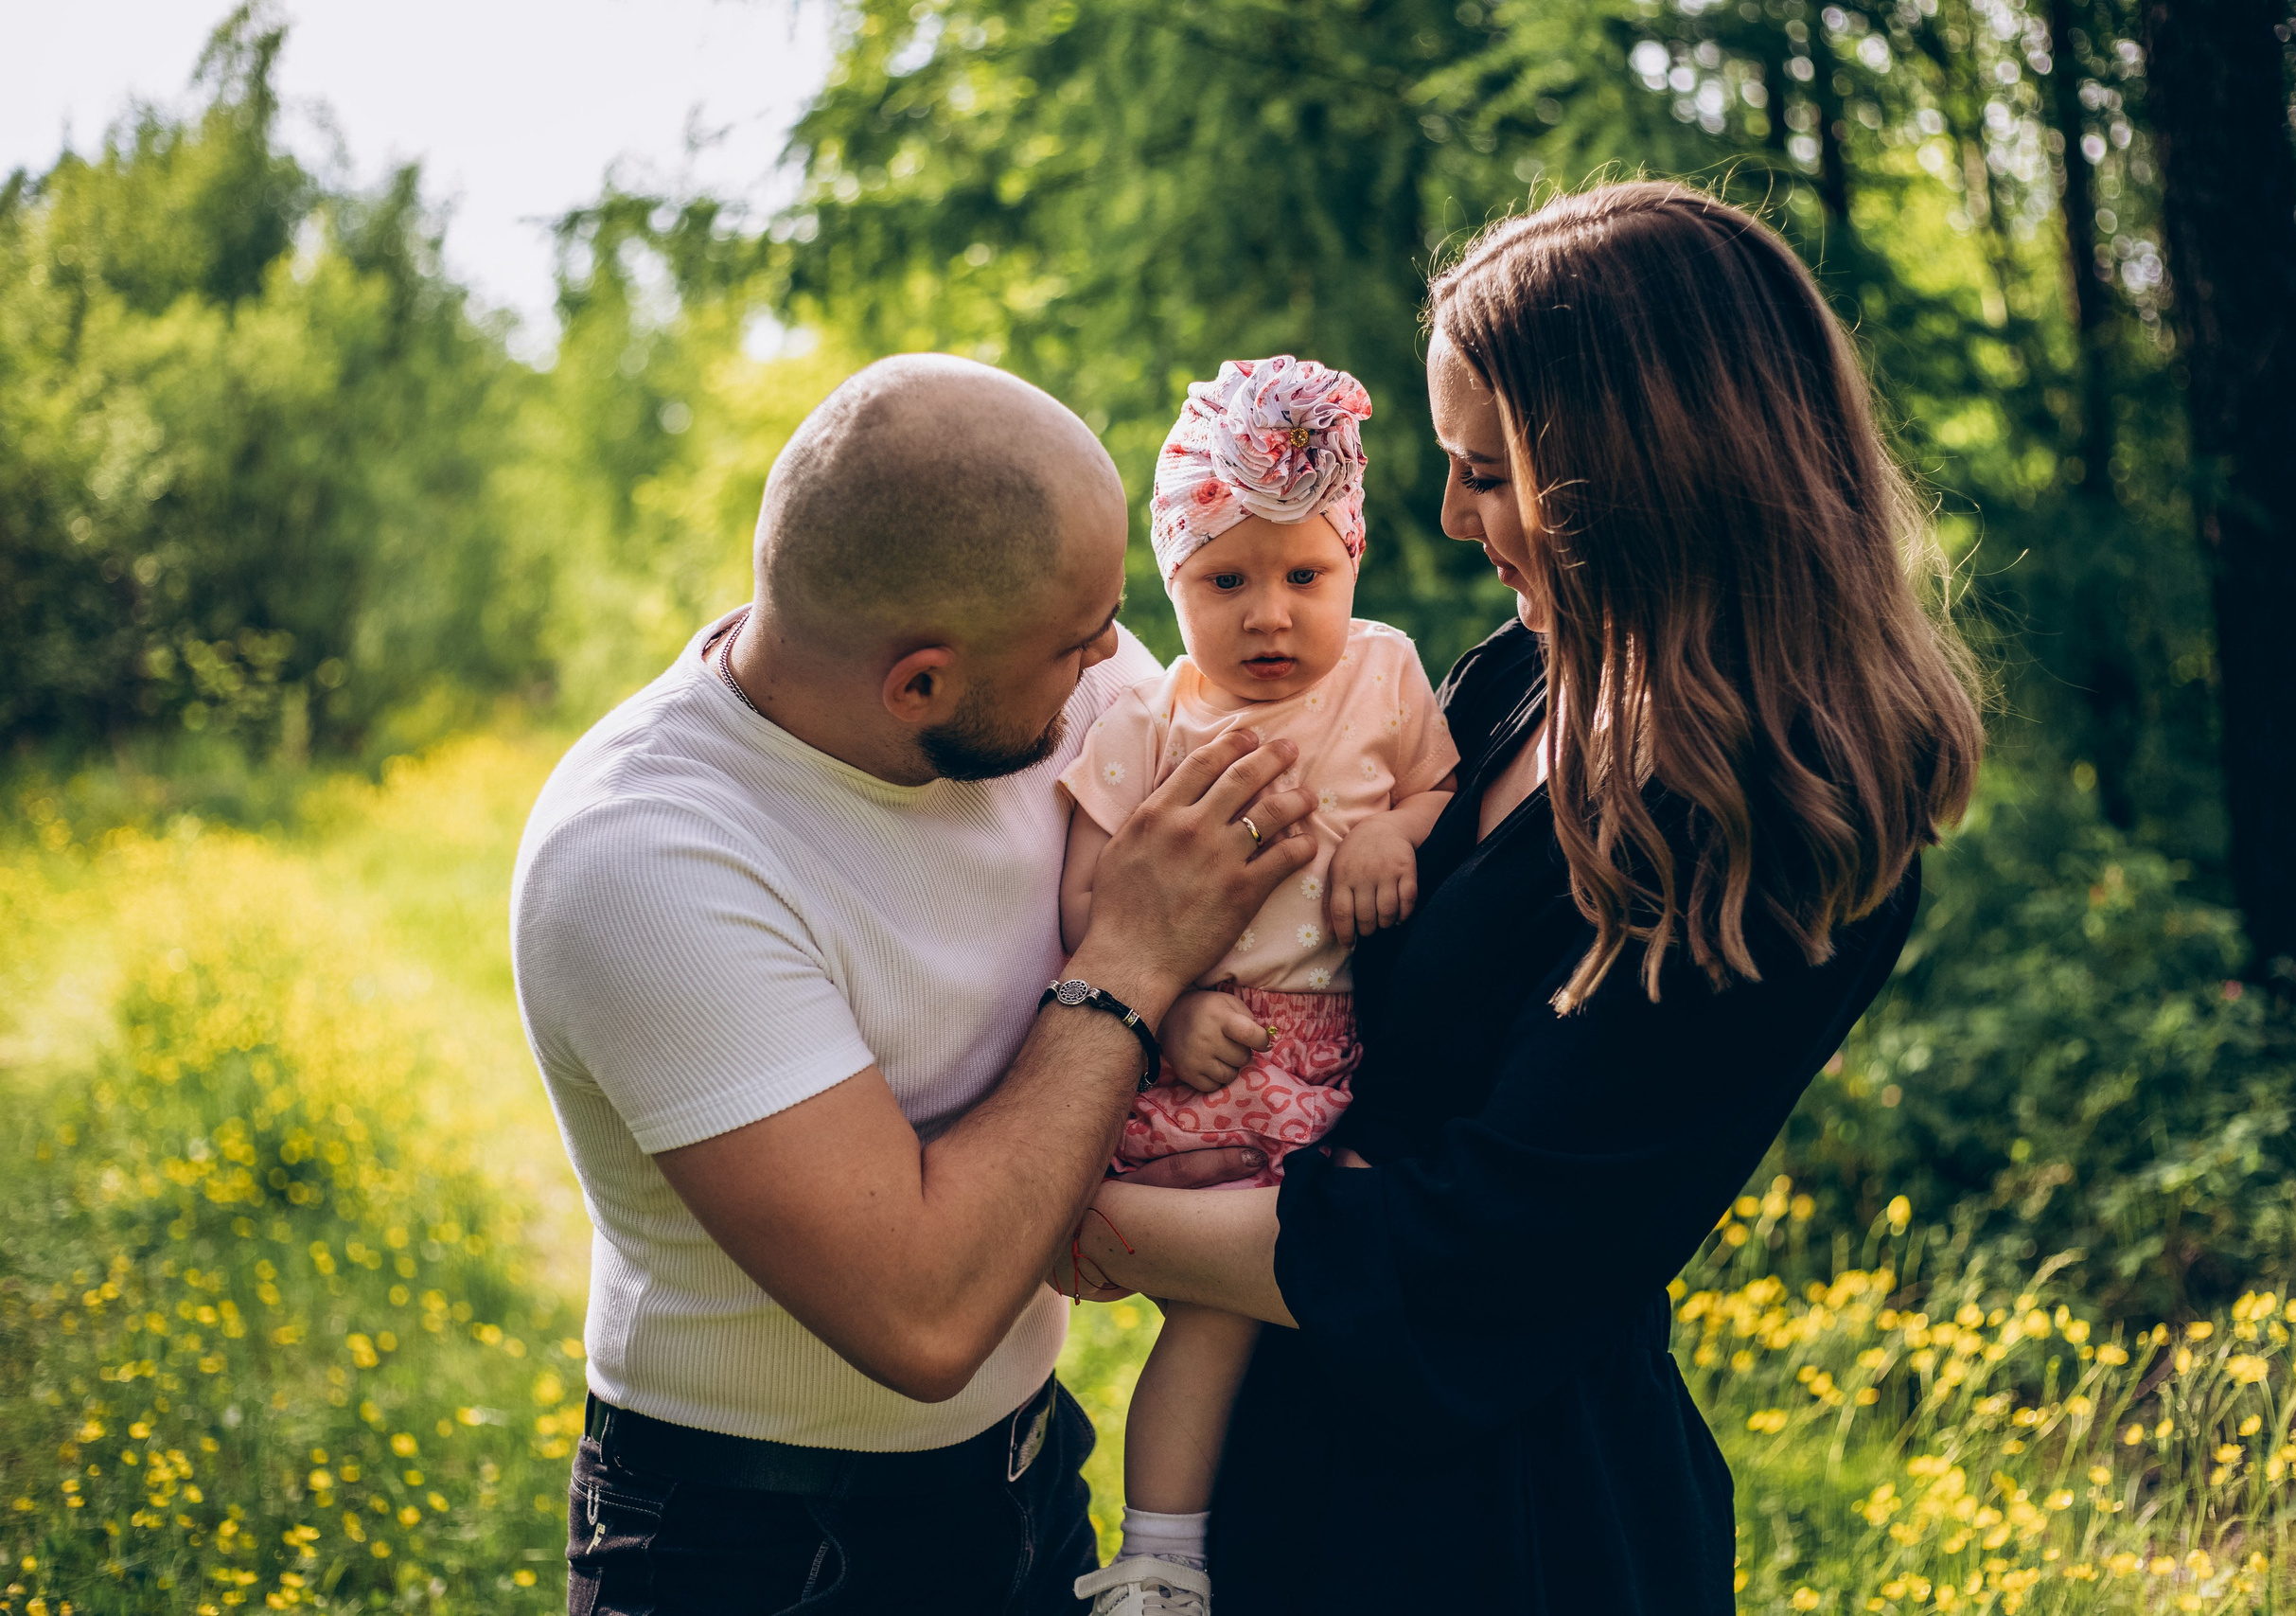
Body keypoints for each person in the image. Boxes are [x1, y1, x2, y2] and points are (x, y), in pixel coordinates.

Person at [1063, 180, 1986, 1611]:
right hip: (1287, 1454)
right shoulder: (1520, 679)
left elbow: (1480, 1260)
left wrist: (1077, 1214)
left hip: (1509, 1533)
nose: (1445, 516)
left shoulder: (1783, 826)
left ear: (1647, 470)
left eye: (1489, 471)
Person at [509, 354, 1319, 1616]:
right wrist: (1132, 963)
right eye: (1079, 640)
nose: (1121, 659)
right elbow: (923, 1317)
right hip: (757, 1544)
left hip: (1029, 1480)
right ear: (923, 684)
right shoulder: (644, 858)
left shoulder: (1079, 687)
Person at [1055, 358, 1458, 1615]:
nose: (1269, 615)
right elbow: (1088, 900)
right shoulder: (1149, 721)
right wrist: (1169, 1006)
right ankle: (1160, 1558)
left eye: (1304, 576)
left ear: (1351, 563)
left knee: (1327, 1307)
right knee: (1214, 1321)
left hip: (1340, 1070)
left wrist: (1400, 831)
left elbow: (1438, 787)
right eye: (1225, 581)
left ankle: (1312, 1538)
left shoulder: (1385, 676)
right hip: (1207, 1060)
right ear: (1171, 585)